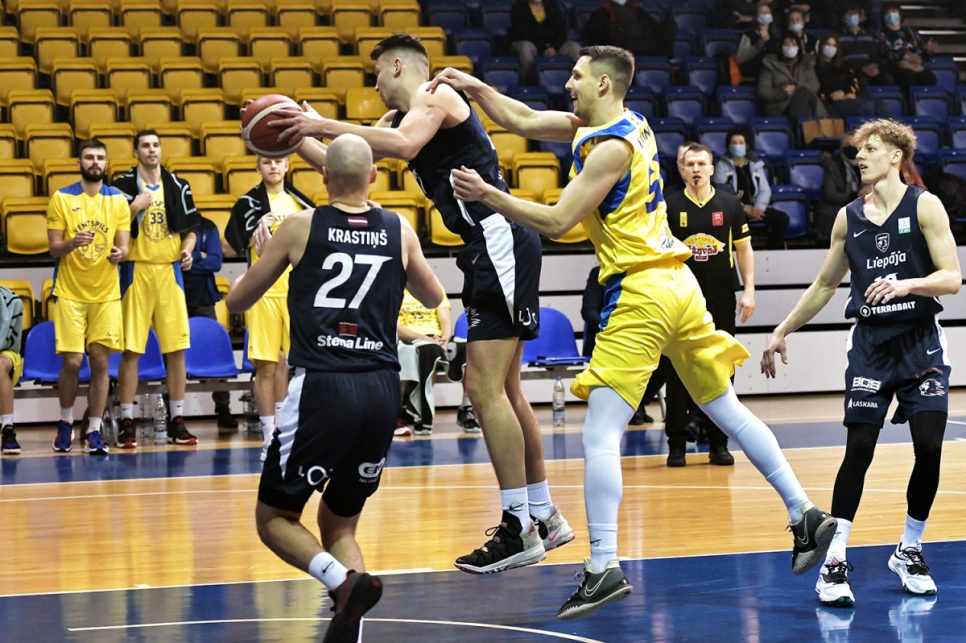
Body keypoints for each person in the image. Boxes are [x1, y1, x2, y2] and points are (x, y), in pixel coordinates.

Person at [432, 45, 836, 620]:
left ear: (603, 84)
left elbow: (558, 221)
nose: (567, 84)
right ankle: (804, 514)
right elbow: (522, 118)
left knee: (600, 435)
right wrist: (475, 88)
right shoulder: (626, 122)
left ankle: (603, 566)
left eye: (576, 76)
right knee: (727, 408)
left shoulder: (609, 149)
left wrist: (489, 195)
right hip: (680, 286)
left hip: (641, 292)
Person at [273, 34, 574, 575]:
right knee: (505, 390)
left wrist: (323, 124)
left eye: (376, 74)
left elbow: (405, 147)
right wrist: (297, 136)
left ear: (397, 65)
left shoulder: (435, 96)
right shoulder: (398, 118)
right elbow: (348, 166)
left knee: (482, 388)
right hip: (490, 245)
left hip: (497, 237)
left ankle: (518, 527)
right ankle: (543, 514)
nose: (374, 85)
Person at [225, 134, 444, 643]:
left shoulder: (299, 226)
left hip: (323, 387)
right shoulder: (399, 228)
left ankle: (341, 582)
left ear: (323, 177)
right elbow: (433, 296)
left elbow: (237, 302)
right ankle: (351, 608)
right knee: (339, 523)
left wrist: (264, 253)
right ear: (374, 176)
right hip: (382, 390)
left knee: (273, 518)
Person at [762, 119, 961, 607]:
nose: (859, 156)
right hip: (871, 346)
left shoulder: (925, 206)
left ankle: (909, 549)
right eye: (858, 150)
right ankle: (834, 560)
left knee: (930, 446)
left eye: (870, 149)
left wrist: (907, 284)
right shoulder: (848, 218)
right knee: (859, 451)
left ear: (896, 157)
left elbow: (951, 278)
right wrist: (783, 328)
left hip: (920, 342)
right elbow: (824, 285)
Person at [665, 143, 756, 468]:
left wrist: (749, 290)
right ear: (681, 169)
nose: (696, 169)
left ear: (712, 168)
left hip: (721, 295)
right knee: (678, 367)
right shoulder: (669, 205)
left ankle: (719, 442)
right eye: (690, 164)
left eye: (701, 163)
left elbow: (743, 249)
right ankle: (677, 442)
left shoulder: (729, 204)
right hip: (681, 299)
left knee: (721, 365)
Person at [111, 130, 200, 449]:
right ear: (135, 152)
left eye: (156, 145)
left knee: (176, 350)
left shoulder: (178, 185)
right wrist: (134, 207)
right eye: (146, 146)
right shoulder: (122, 186)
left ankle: (178, 419)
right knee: (131, 351)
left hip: (169, 272)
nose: (152, 150)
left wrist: (188, 249)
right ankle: (127, 421)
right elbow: (110, 226)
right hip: (136, 270)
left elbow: (192, 231)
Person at [224, 155, 313, 462]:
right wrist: (255, 233)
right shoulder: (249, 203)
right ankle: (268, 438)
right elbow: (229, 246)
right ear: (258, 168)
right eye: (266, 162)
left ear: (287, 166)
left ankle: (292, 432)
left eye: (278, 161)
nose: (273, 166)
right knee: (266, 366)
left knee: (301, 367)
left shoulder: (301, 203)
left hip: (297, 293)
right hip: (263, 293)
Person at [47, 139, 131, 455]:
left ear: (107, 164)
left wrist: (120, 254)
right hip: (70, 292)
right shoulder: (61, 198)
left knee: (100, 361)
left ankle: (94, 429)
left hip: (106, 293)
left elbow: (125, 247)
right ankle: (65, 423)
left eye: (100, 157)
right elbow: (53, 248)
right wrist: (71, 243)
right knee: (72, 361)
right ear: (79, 162)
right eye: (89, 157)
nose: (95, 162)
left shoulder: (118, 201)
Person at [581, 264, 663, 425]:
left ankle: (637, 404)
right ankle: (630, 407)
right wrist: (611, 329)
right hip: (609, 335)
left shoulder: (644, 272)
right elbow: (588, 310)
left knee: (666, 357)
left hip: (640, 336)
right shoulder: (599, 273)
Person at [395, 289, 480, 437]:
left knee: (466, 348)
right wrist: (426, 339)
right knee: (429, 350)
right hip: (409, 340)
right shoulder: (394, 290)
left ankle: (467, 410)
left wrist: (445, 339)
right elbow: (397, 328)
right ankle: (423, 414)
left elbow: (445, 321)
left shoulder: (433, 288)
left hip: (437, 339)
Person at [181, 214, 236, 432]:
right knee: (172, 355)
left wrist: (188, 263)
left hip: (203, 300)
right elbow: (170, 262)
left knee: (214, 353)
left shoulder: (208, 226)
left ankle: (223, 408)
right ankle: (172, 412)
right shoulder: (171, 225)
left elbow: (215, 262)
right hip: (174, 298)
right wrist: (199, 256)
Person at [714, 128, 791, 250]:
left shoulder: (755, 165)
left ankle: (770, 252)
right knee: (737, 224)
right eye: (734, 143)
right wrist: (744, 209)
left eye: (741, 143)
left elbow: (765, 190)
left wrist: (758, 208)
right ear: (728, 146)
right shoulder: (721, 166)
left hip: (755, 207)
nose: (737, 146)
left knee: (782, 219)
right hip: (735, 210)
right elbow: (723, 194)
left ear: (747, 146)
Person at [509, 0, 581, 85]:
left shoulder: (552, 5)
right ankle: (527, 82)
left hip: (552, 45)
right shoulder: (518, 7)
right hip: (530, 43)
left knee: (574, 48)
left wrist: (554, 47)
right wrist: (544, 48)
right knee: (526, 48)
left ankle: (584, 82)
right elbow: (523, 33)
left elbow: (560, 31)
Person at [757, 34, 827, 121]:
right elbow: (763, 92)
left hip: (805, 105)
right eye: (786, 44)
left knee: (803, 94)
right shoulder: (770, 65)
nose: (790, 47)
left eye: (794, 44)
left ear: (798, 48)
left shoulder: (805, 64)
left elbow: (815, 85)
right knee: (805, 102)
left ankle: (798, 123)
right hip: (780, 107)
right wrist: (780, 93)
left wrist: (796, 87)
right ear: (780, 47)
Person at [815, 130, 862, 245]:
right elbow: (831, 195)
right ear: (841, 147)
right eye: (847, 145)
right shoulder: (832, 165)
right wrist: (855, 196)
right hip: (836, 207)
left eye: (854, 145)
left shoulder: (865, 165)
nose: (851, 147)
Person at [877, 2, 937, 93]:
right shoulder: (881, 34)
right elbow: (885, 52)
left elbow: (920, 52)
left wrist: (927, 51)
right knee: (908, 77)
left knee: (929, 78)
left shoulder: (910, 32)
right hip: (896, 67)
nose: (891, 15)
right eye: (888, 13)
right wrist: (904, 56)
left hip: (915, 66)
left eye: (894, 12)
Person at [583, 1, 676, 58]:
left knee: (668, 26)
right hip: (619, 47)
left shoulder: (636, 9)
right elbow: (594, 34)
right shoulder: (603, 12)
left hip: (644, 45)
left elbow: (652, 27)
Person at [815, 33, 875, 118]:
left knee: (880, 105)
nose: (830, 48)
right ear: (821, 45)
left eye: (834, 45)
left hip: (849, 97)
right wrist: (832, 96)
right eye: (828, 44)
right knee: (866, 106)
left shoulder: (843, 66)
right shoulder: (815, 66)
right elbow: (817, 88)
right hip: (832, 102)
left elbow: (853, 82)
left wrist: (847, 93)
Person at [835, 3, 890, 87]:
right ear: (843, 17)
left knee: (887, 79)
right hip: (851, 71)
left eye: (854, 14)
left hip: (870, 68)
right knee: (861, 81)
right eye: (849, 14)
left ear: (860, 17)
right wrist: (861, 68)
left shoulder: (870, 35)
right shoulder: (837, 37)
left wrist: (876, 66)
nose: (852, 17)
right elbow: (839, 61)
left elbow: (875, 55)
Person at [0, 286, 24, 456]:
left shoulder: (12, 301)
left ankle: (7, 429)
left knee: (0, 365)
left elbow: (10, 344)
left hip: (7, 353)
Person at [736, 3, 781, 81]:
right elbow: (740, 59)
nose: (765, 14)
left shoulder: (774, 37)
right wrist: (758, 45)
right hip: (753, 74)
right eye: (762, 12)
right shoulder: (749, 35)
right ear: (756, 16)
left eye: (767, 12)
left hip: (771, 74)